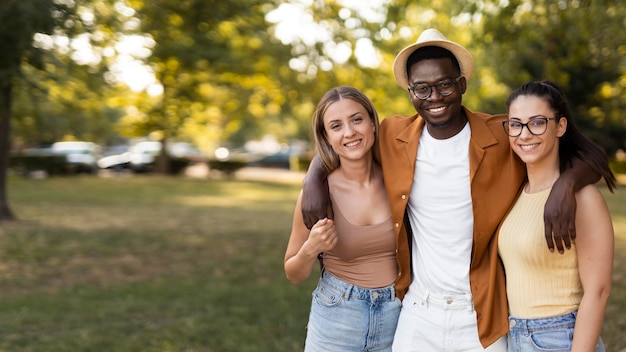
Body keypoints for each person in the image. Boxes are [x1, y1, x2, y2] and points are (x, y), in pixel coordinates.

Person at [300, 28, 600, 351]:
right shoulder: (393, 135)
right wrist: (314, 176)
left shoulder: (501, 136)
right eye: (422, 89)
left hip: (480, 313)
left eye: (444, 84)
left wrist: (566, 186)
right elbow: (349, 142)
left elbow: (590, 155)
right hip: (419, 311)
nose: (435, 97)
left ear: (461, 85)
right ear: (411, 93)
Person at [499, 80, 615, 352]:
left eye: (537, 122)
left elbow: (598, 292)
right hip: (516, 336)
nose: (524, 134)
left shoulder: (583, 198)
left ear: (560, 126)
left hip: (559, 338)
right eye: (515, 124)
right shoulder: (517, 193)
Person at [284, 86, 401, 351]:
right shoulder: (317, 194)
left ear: (372, 121)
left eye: (357, 119)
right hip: (337, 316)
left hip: (398, 315)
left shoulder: (399, 181)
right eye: (336, 126)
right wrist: (311, 247)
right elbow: (293, 273)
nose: (349, 132)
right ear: (326, 136)